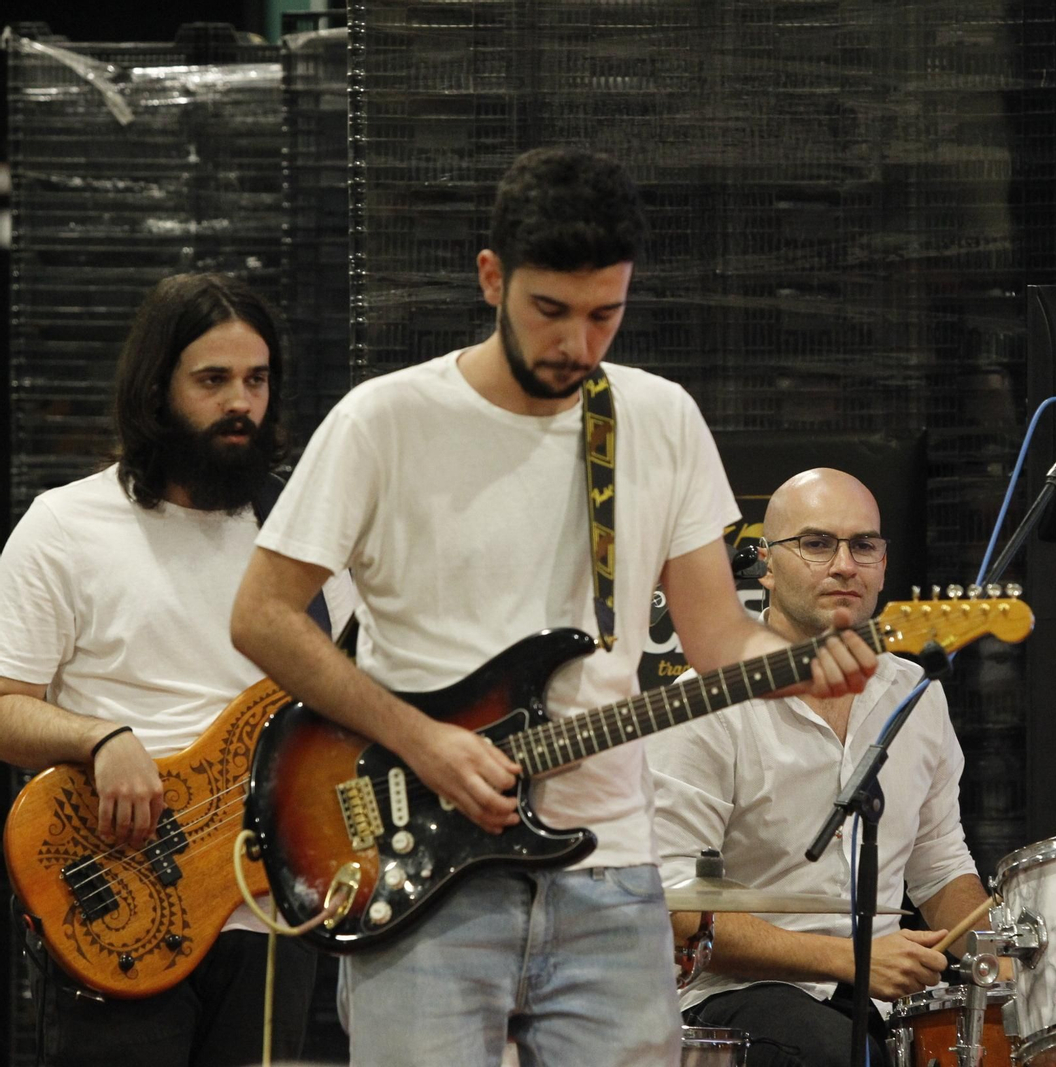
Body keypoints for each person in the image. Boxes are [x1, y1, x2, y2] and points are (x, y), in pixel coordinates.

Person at [228, 147, 877, 1067]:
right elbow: (261, 615)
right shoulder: (386, 420)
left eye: (604, 314)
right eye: (550, 310)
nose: (577, 343)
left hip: (610, 874)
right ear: (491, 277)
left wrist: (796, 666)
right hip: (422, 869)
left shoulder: (660, 419)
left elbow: (717, 637)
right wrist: (425, 742)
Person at [0, 273, 324, 1066]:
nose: (240, 403)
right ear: (155, 390)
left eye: (256, 380)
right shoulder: (64, 526)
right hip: (119, 900)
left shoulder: (302, 534)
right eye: (213, 380)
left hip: (272, 909)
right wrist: (98, 737)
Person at [647, 468, 993, 1067]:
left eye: (863, 546)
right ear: (766, 564)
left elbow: (939, 866)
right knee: (839, 1054)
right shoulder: (706, 699)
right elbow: (676, 907)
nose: (844, 566)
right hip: (732, 997)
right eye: (816, 544)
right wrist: (851, 960)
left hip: (881, 1002)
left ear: (883, 564)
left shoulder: (916, 692)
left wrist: (1009, 966)